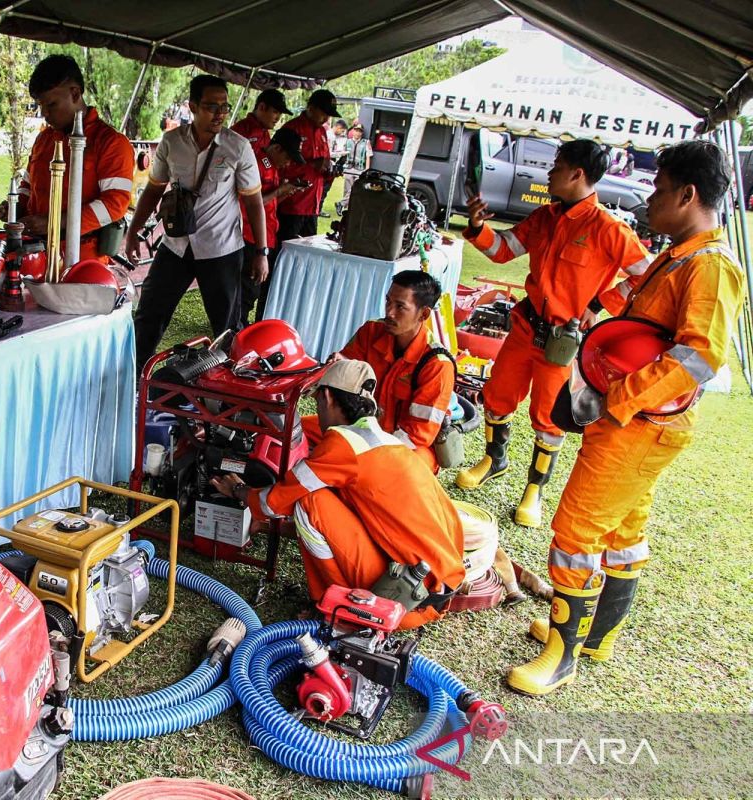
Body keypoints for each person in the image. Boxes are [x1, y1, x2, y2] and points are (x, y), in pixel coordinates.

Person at [509, 140, 747, 696]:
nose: (650, 199)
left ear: (688, 194)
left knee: (574, 533)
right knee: (622, 531)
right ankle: (596, 637)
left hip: (639, 423)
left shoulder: (711, 266)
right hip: (639, 420)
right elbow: (639, 307)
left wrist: (615, 402)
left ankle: (561, 656)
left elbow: (699, 356)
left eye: (660, 189)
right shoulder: (681, 253)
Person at [455, 139, 651, 528]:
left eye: (556, 165)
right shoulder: (544, 217)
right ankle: (495, 459)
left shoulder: (608, 229)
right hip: (525, 328)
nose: (549, 172)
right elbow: (503, 250)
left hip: (563, 342)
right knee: (496, 397)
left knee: (549, 418)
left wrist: (598, 306)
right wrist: (478, 226)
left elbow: (645, 274)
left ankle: (535, 489)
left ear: (577, 174)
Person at [211, 359, 465, 629]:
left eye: (318, 401)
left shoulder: (342, 445)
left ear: (328, 397)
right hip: (436, 586)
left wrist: (238, 489)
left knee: (309, 503)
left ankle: (340, 608)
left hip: (402, 600)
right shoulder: (389, 442)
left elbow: (273, 503)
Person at [125, 75, 268, 369]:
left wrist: (261, 252)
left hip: (221, 248)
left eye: (224, 107)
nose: (219, 113)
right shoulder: (171, 142)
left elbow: (253, 201)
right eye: (211, 106)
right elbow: (153, 189)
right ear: (192, 106)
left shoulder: (237, 147)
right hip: (176, 245)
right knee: (149, 314)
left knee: (227, 328)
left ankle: (230, 393)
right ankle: (132, 378)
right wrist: (133, 232)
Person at [304, 271, 454, 473]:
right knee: (297, 431)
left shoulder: (438, 366)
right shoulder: (371, 331)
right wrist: (337, 367)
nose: (389, 312)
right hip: (361, 429)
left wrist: (366, 449)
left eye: (400, 307)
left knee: (400, 472)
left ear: (424, 314)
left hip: (408, 447)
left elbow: (417, 435)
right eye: (388, 302)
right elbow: (345, 373)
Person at [0, 55, 134, 263]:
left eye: (51, 104)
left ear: (75, 93)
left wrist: (55, 221)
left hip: (82, 258)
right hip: (35, 254)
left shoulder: (111, 143)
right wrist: (16, 207)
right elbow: (28, 184)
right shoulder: (44, 138)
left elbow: (114, 204)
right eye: (41, 106)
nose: (45, 114)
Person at [230, 89, 304, 323]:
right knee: (243, 292)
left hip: (264, 232)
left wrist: (283, 191)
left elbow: (267, 203)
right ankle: (233, 335)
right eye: (275, 111)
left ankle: (240, 328)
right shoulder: (251, 145)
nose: (289, 163)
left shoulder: (269, 162)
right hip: (249, 234)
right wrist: (280, 190)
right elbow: (251, 203)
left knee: (250, 292)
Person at [276, 90, 338, 242]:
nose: (326, 118)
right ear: (311, 108)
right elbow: (277, 165)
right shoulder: (291, 129)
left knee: (308, 253)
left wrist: (330, 171)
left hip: (313, 206)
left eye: (329, 115)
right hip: (291, 205)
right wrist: (311, 165)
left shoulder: (322, 132)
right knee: (285, 252)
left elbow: (325, 162)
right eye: (323, 113)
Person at [340, 121, 372, 211]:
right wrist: (342, 168)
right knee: (347, 189)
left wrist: (367, 170)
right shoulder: (348, 142)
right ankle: (344, 208)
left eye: (359, 131)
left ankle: (343, 204)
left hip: (360, 169)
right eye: (356, 130)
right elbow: (343, 155)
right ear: (353, 131)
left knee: (355, 188)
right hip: (348, 168)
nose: (357, 133)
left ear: (362, 133)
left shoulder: (366, 142)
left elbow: (368, 156)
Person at [319, 118, 348, 212]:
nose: (342, 133)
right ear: (338, 127)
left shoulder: (332, 136)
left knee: (325, 189)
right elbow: (327, 153)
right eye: (342, 130)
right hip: (327, 164)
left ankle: (319, 208)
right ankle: (319, 209)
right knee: (323, 189)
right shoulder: (329, 136)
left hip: (331, 164)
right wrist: (340, 153)